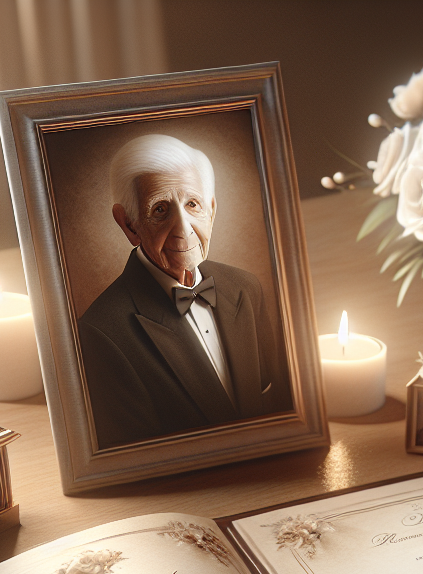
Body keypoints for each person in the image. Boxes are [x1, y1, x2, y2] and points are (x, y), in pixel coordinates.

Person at [77, 134, 291, 448]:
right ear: (129, 224)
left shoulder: (246, 287)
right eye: (161, 210)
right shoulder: (101, 333)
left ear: (212, 210)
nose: (184, 229)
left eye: (193, 204)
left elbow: (277, 399)